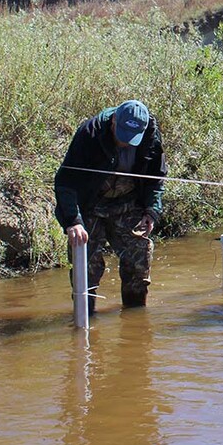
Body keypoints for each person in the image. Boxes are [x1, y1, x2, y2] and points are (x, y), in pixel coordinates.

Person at [55, 99, 168, 312]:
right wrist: (73, 221)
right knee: (86, 266)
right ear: (114, 120)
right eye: (123, 134)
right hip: (91, 204)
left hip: (128, 202)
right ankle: (85, 319)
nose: (126, 142)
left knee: (138, 260)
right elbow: (65, 181)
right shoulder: (90, 133)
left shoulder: (151, 136)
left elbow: (156, 179)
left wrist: (152, 211)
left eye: (132, 138)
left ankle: (135, 322)